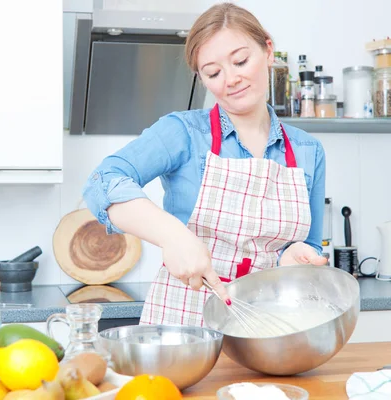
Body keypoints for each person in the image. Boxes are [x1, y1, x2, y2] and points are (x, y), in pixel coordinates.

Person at [82, 2, 328, 327]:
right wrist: (174, 236)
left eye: (240, 61)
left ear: (268, 50)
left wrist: (295, 256)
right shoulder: (184, 133)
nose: (231, 79)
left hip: (268, 326)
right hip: (185, 326)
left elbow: (306, 244)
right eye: (213, 72)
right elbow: (102, 180)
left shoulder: (308, 150)